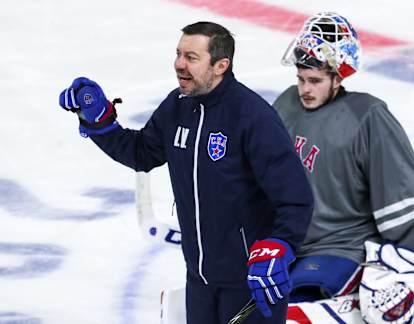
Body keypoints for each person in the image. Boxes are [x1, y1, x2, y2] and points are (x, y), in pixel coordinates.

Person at [58, 22, 313, 323]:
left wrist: (278, 246)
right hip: (199, 280)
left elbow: (296, 197)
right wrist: (99, 124)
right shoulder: (177, 107)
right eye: (178, 54)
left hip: (251, 284)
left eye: (191, 57)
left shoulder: (252, 117)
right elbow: (142, 152)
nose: (179, 64)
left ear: (220, 65)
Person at [273, 12, 414, 324]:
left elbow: (403, 192)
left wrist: (405, 263)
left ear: (339, 75)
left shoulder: (368, 117)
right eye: (300, 78)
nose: (305, 89)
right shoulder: (286, 105)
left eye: (315, 81)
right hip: (288, 244)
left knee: (286, 314)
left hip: (340, 248)